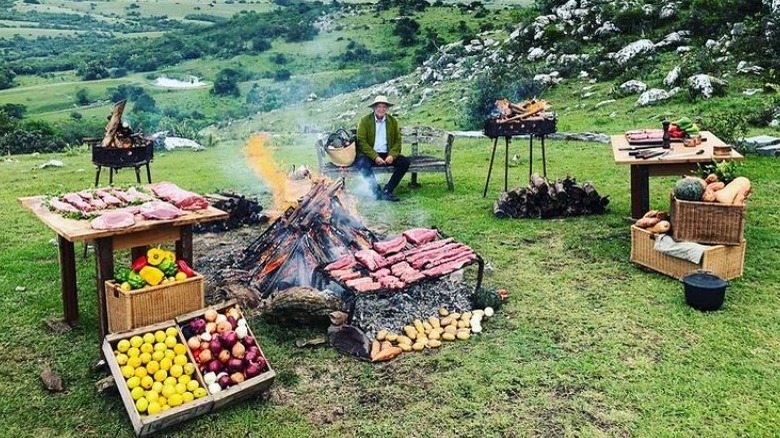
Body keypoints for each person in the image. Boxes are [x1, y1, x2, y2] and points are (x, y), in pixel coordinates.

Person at [354, 95, 410, 202]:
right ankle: (376, 191)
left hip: (387, 154)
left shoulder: (393, 121)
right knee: (361, 164)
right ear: (374, 108)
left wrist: (392, 155)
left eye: (384, 107)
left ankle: (388, 190)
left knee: (404, 162)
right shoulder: (364, 121)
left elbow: (398, 141)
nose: (381, 109)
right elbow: (361, 141)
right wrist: (375, 157)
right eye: (379, 106)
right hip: (371, 154)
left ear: (387, 108)